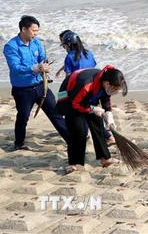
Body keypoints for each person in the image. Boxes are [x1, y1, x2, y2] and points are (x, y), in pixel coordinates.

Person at [3, 15, 69, 151]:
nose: (35, 34)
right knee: (23, 117)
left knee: (55, 113)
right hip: (23, 89)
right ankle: (19, 143)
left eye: (37, 31)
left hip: (41, 85)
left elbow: (42, 58)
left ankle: (71, 139)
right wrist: (35, 68)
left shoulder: (36, 42)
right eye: (33, 31)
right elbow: (15, 68)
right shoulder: (11, 46)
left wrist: (45, 65)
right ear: (24, 29)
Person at [56, 65, 127, 173]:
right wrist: (92, 109)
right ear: (107, 83)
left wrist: (108, 113)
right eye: (115, 89)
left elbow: (106, 97)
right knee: (79, 131)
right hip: (70, 100)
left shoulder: (105, 81)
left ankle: (105, 158)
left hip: (86, 99)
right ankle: (73, 163)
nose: (115, 92)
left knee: (98, 125)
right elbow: (76, 103)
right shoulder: (86, 84)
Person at [59, 31, 114, 145]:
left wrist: (65, 94)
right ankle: (105, 135)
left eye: (64, 45)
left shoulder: (69, 57)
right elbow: (92, 69)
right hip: (92, 88)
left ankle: (105, 136)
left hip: (79, 89)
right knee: (91, 114)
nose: (64, 47)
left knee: (82, 113)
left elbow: (68, 78)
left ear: (69, 44)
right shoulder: (89, 53)